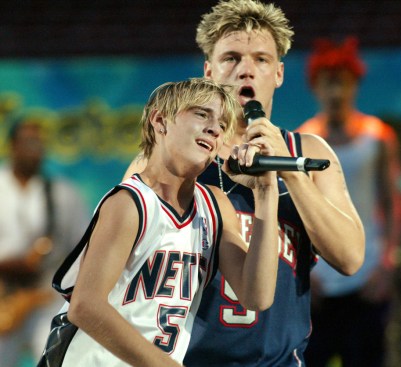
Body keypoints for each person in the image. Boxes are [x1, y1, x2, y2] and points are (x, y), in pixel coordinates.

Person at [124, 1, 365, 366]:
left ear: (279, 73)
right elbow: (119, 264)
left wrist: (287, 168)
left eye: (261, 60)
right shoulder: (167, 157)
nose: (246, 71)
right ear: (209, 71)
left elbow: (349, 258)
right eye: (232, 58)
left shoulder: (308, 152)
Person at [37, 77, 281, 367]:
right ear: (160, 121)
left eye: (222, 123)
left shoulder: (215, 206)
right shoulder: (129, 202)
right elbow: (85, 307)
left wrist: (266, 192)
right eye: (202, 114)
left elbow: (257, 297)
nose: (215, 128)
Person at [297, 36, 401, 367]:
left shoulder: (378, 135)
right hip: (320, 282)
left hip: (367, 275)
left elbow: (392, 203)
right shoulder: (304, 138)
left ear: (354, 85)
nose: (335, 93)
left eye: (341, 83)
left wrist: (386, 263)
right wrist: (303, 272)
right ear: (314, 87)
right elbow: (298, 212)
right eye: (327, 83)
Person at [0, 118, 89, 366]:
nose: (35, 149)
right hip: (4, 295)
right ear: (12, 145)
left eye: (39, 143)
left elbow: (83, 248)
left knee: (53, 359)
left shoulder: (63, 193)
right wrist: (12, 265)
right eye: (28, 142)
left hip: (45, 296)